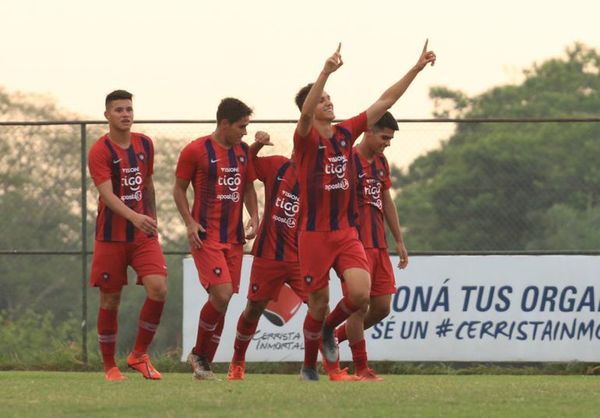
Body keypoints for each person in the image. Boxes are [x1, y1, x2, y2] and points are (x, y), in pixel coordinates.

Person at [293, 41, 435, 380]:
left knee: (360, 295)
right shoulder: (305, 138)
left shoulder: (346, 133)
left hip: (344, 233)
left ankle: (329, 329)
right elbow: (305, 115)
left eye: (329, 97)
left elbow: (386, 100)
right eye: (322, 99)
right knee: (317, 303)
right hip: (313, 235)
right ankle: (309, 367)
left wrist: (415, 69)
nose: (329, 101)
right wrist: (325, 73)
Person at [173, 97, 259, 380]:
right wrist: (189, 222)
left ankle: (203, 363)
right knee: (220, 293)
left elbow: (248, 188)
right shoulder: (196, 150)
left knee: (223, 299)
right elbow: (179, 189)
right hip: (206, 236)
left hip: (234, 239)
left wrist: (255, 217)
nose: (245, 132)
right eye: (241, 126)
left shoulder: (243, 152)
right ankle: (198, 354)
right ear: (224, 124)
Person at [88, 89, 168, 381]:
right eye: (119, 109)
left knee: (158, 288)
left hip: (142, 235)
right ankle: (110, 366)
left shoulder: (145, 143)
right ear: (107, 115)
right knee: (110, 300)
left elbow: (148, 185)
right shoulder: (100, 151)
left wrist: (153, 219)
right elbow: (106, 195)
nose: (125, 114)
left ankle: (139, 355)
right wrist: (135, 216)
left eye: (129, 109)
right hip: (111, 236)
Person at [333, 111, 409, 381]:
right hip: (354, 243)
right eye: (384, 137)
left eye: (390, 139)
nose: (387, 143)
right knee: (358, 306)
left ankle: (331, 338)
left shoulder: (381, 162)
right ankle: (361, 368)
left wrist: (398, 240)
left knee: (382, 307)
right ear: (368, 131)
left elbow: (386, 200)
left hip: (378, 243)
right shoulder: (346, 159)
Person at [226, 134, 307, 380]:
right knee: (254, 308)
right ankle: (237, 362)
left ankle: (317, 366)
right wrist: (257, 144)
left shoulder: (319, 181)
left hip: (301, 259)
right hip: (268, 255)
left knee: (319, 308)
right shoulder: (278, 165)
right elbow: (246, 163)